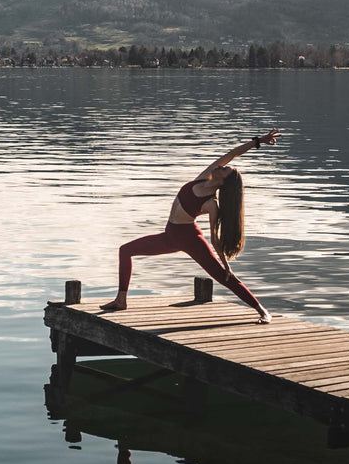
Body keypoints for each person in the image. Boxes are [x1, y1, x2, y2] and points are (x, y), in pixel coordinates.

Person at [100, 130, 279, 321]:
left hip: (190, 239)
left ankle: (261, 311)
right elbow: (232, 154)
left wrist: (226, 264)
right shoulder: (204, 176)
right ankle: (121, 300)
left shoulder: (212, 204)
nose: (222, 167)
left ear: (225, 183)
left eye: (225, 170)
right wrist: (258, 141)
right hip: (169, 236)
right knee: (125, 250)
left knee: (224, 277)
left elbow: (214, 236)